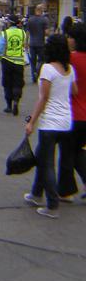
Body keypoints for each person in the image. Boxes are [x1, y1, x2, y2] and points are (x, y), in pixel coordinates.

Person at [24, 34, 77, 218]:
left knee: (46, 164)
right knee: (41, 156)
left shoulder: (47, 69)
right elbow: (74, 91)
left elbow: (43, 98)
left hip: (50, 123)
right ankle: (36, 193)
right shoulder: (69, 70)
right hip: (66, 122)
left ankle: (52, 204)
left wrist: (31, 121)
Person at [57, 23, 86, 200]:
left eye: (69, 37)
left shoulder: (70, 60)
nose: (68, 40)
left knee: (67, 153)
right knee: (77, 151)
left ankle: (66, 191)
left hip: (71, 114)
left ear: (75, 40)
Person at [0, 14, 28, 116]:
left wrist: (2, 53)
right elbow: (24, 46)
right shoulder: (23, 33)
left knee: (7, 83)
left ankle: (9, 105)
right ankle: (16, 100)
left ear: (10, 23)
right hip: (19, 61)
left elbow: (0, 48)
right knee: (18, 83)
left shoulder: (5, 33)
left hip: (7, 60)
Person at [26, 4, 50, 83]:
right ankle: (37, 70)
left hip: (32, 43)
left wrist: (26, 43)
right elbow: (46, 33)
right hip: (41, 43)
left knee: (33, 60)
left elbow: (27, 32)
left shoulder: (30, 19)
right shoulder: (44, 20)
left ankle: (33, 75)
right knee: (41, 60)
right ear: (41, 10)